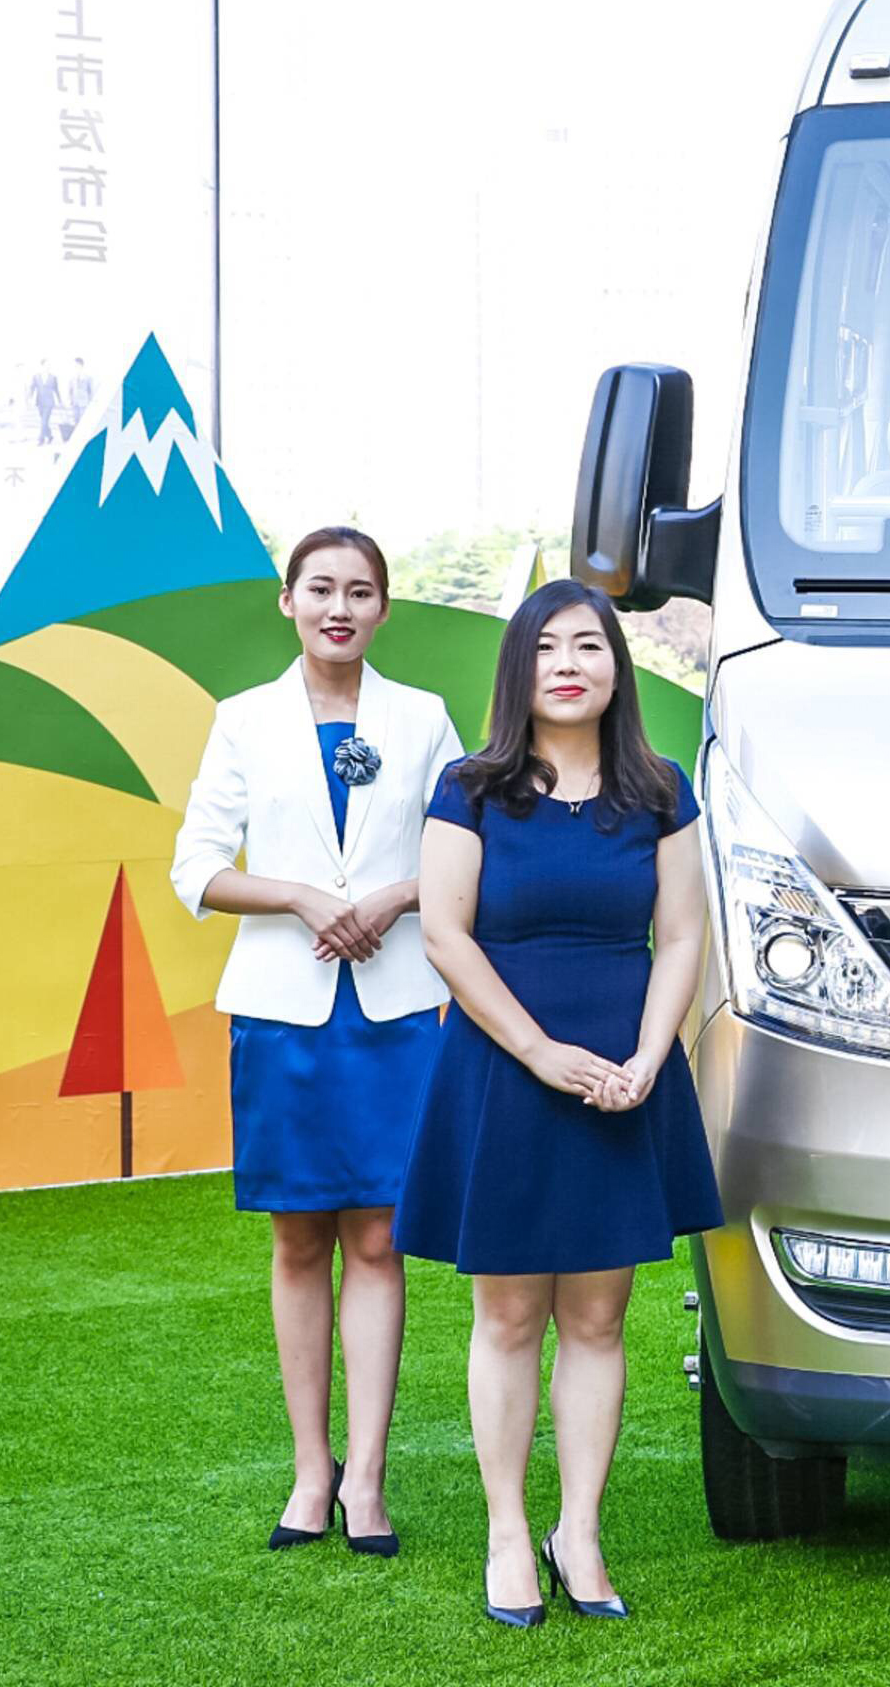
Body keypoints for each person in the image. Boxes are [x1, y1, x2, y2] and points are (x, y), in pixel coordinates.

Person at [396, 579, 721, 1629]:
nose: (569, 664)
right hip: (504, 1068)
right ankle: (507, 1532)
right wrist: (538, 1052)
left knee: (596, 1316)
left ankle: (577, 1533)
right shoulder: (472, 787)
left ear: (617, 667)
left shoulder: (660, 789)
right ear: (518, 668)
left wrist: (647, 1057)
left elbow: (681, 935)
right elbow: (445, 934)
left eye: (589, 645)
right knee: (507, 1314)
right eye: (546, 648)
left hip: (624, 1078)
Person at [170, 527, 463, 1556]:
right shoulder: (243, 720)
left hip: (396, 1009)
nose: (341, 608)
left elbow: (466, 849)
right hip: (283, 1012)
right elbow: (197, 869)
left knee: (378, 1239)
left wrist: (388, 898)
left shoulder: (422, 718)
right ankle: (311, 1471)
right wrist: (300, 896)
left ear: (383, 608)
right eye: (322, 589)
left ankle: (367, 1480)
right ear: (287, 600)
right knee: (297, 1239)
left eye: (361, 591)